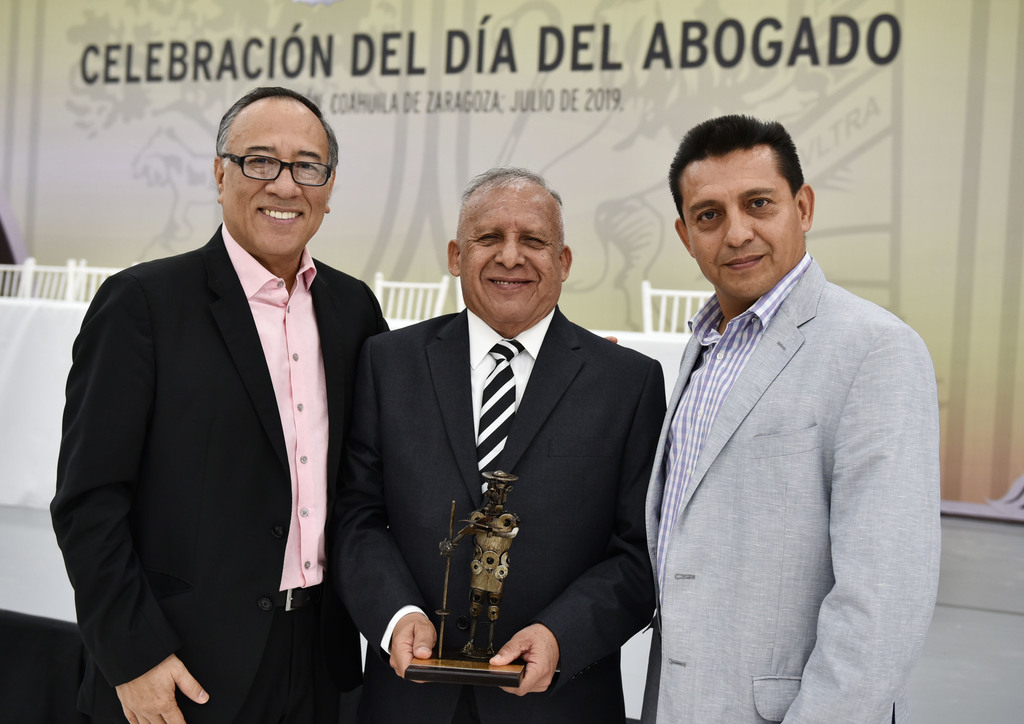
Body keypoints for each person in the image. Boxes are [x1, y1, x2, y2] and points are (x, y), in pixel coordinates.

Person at [50, 86, 386, 724]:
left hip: (322, 662)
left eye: (307, 167)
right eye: (260, 161)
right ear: (219, 173)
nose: (284, 185)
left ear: (329, 186)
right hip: (182, 666)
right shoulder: (142, 304)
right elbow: (89, 502)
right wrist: (134, 656)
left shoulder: (354, 310)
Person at [332, 167, 666, 723]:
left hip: (558, 704)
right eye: (488, 238)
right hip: (408, 698)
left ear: (563, 262)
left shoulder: (629, 383)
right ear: (455, 256)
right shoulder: (387, 363)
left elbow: (640, 552)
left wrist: (561, 635)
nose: (511, 257)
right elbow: (356, 517)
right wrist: (394, 616)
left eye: (533, 240)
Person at [642, 114, 941, 723]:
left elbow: (883, 599)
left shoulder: (875, 349)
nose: (736, 233)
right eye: (709, 215)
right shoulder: (702, 346)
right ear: (685, 234)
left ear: (802, 207)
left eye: (758, 204)